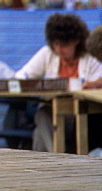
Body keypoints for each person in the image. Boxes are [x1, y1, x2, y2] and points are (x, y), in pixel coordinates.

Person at [15, 13, 102, 152]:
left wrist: (91, 84)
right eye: (55, 44)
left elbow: (97, 82)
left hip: (79, 114)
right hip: (53, 110)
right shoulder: (47, 54)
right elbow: (21, 75)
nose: (58, 49)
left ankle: (51, 161)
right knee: (43, 115)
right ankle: (58, 157)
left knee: (40, 133)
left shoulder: (90, 57)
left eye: (64, 45)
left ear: (75, 41)